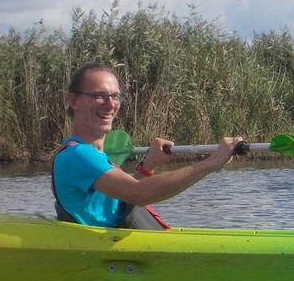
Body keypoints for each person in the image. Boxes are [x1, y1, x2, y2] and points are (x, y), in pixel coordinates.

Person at [52, 62, 241, 228]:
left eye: (115, 96)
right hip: (114, 258)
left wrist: (148, 165)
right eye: (99, 96)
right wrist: (212, 162)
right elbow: (139, 194)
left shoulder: (93, 155)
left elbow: (122, 199)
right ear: (74, 101)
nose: (110, 105)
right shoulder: (78, 155)